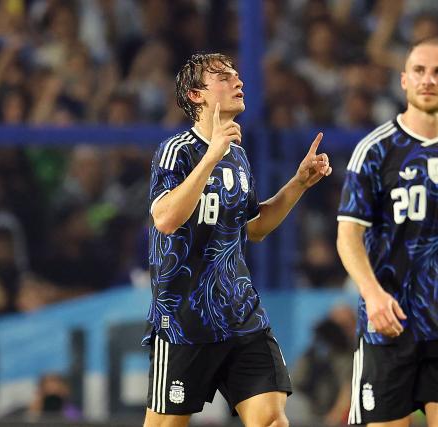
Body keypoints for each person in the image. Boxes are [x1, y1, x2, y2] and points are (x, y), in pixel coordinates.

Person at [143, 53, 332, 427]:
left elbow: (255, 228)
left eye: (237, 76)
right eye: (224, 78)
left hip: (241, 315)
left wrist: (298, 183)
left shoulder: (239, 157)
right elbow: (165, 219)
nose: (238, 82)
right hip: (184, 321)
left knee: (272, 421)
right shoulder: (177, 150)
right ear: (197, 95)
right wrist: (211, 157)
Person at [336, 37, 438, 426]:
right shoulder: (375, 150)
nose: (429, 79)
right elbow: (348, 236)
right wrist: (372, 294)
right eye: (420, 71)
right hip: (390, 320)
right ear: (404, 80)